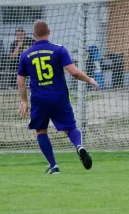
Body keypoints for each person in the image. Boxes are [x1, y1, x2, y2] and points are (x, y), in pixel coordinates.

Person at [18, 20, 98, 174]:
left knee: (41, 131)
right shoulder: (59, 50)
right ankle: (79, 146)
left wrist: (24, 101)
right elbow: (73, 72)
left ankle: (54, 166)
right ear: (49, 32)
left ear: (33, 35)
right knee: (70, 128)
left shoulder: (25, 54)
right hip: (59, 98)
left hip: (39, 100)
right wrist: (89, 79)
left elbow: (21, 80)